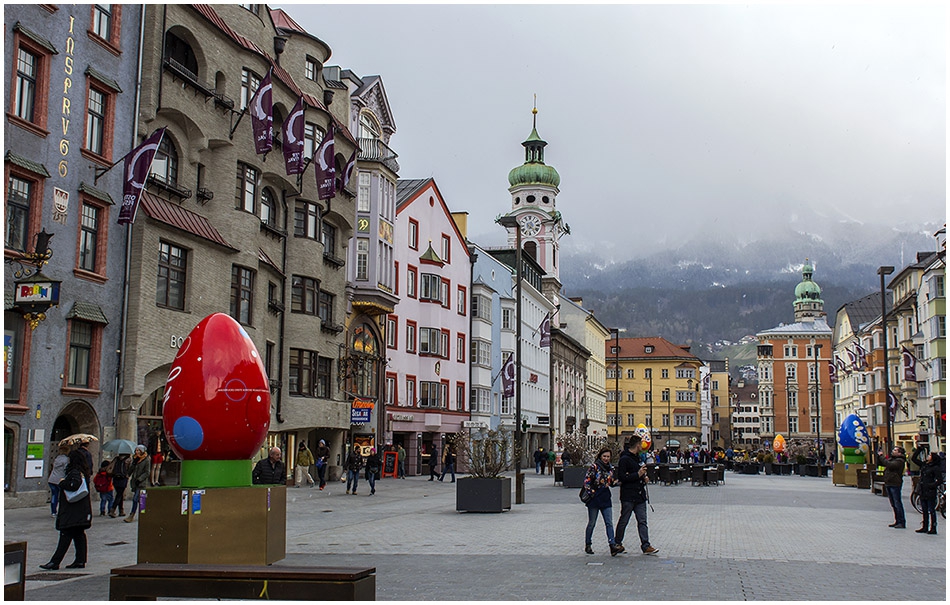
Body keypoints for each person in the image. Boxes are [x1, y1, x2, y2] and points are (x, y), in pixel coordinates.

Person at [39, 450, 92, 570]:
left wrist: (62, 483)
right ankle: (80, 560)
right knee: (79, 535)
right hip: (80, 511)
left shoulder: (74, 472)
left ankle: (55, 562)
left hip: (72, 511)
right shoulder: (83, 472)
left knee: (66, 534)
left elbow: (73, 485)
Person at [615, 436, 659, 555]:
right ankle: (617, 543)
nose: (642, 447)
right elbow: (622, 477)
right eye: (641, 444)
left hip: (640, 495)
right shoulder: (625, 459)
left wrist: (644, 477)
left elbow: (639, 473)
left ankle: (646, 545)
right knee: (624, 519)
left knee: (642, 521)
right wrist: (637, 474)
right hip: (628, 495)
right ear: (637, 445)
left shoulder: (638, 458)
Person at [582, 446, 622, 556]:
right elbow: (587, 482)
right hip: (594, 499)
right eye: (604, 456)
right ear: (600, 456)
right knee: (592, 523)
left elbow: (611, 482)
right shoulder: (594, 467)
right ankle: (588, 544)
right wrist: (592, 493)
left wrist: (618, 482)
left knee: (609, 523)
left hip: (605, 497)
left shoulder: (610, 468)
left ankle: (612, 545)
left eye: (608, 456)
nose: (606, 458)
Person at [912, 446, 943, 534]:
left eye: (929, 455)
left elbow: (939, 480)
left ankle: (933, 527)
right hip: (923, 490)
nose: (928, 456)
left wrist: (932, 485)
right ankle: (925, 526)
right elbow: (914, 459)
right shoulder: (925, 465)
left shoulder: (935, 468)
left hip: (930, 490)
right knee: (924, 509)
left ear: (933, 458)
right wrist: (919, 450)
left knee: (931, 509)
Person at [123, 445, 150, 522]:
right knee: (141, 500)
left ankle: (133, 515)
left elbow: (147, 472)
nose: (137, 452)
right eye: (136, 451)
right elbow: (131, 470)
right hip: (135, 483)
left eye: (138, 450)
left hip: (142, 483)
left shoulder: (146, 460)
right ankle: (143, 514)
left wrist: (140, 479)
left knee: (137, 499)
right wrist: (128, 473)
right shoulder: (135, 459)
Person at [883, 445, 907, 529]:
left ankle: (901, 521)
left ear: (899, 453)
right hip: (889, 482)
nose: (893, 451)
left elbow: (890, 465)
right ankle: (897, 520)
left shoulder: (900, 461)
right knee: (893, 503)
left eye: (895, 450)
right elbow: (885, 463)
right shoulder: (893, 459)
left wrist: (882, 457)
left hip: (895, 483)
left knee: (897, 503)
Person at [48, 444, 70, 517]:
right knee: (62, 497)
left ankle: (53, 511)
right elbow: (66, 470)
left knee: (54, 495)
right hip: (60, 479)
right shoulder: (66, 460)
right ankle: (61, 511)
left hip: (52, 479)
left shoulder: (57, 458)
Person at [108, 453, 129, 518]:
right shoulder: (127, 459)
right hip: (123, 478)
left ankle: (121, 510)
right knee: (119, 495)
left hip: (115, 478)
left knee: (120, 494)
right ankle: (112, 509)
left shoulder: (116, 459)